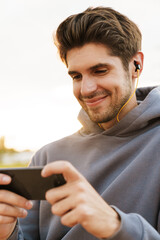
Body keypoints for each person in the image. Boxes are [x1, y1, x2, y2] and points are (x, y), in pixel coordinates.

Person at [0, 6, 160, 240]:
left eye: (100, 70)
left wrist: (114, 224)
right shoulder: (48, 157)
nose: (86, 89)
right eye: (76, 76)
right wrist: (6, 232)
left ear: (136, 64)